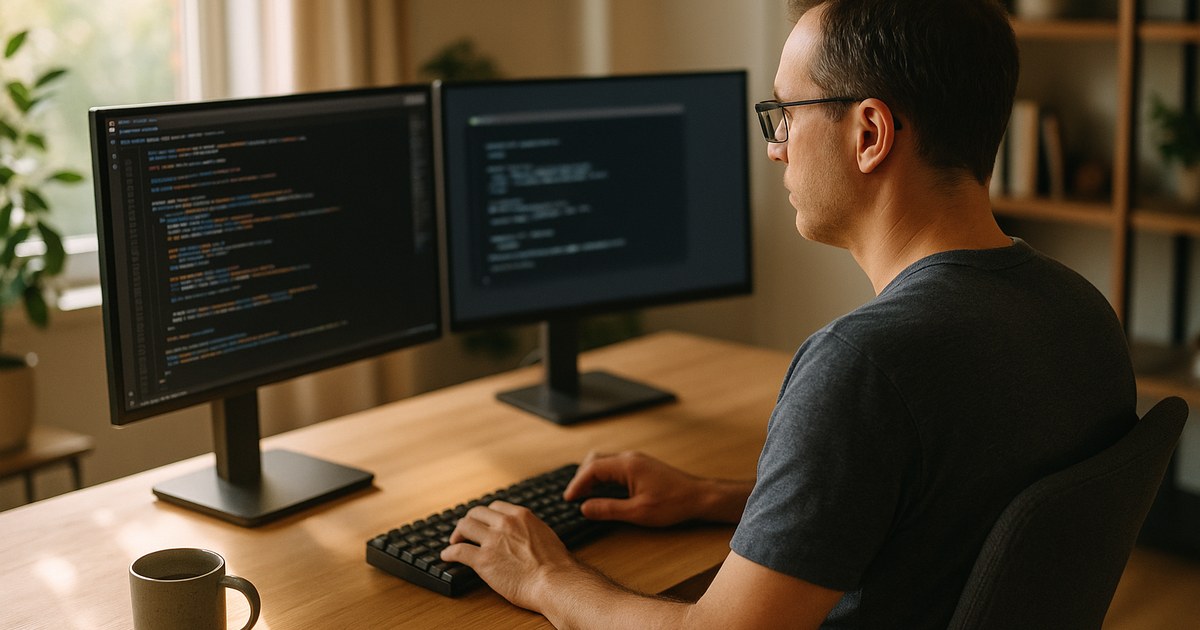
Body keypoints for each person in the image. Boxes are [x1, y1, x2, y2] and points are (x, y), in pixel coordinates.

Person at [441, 0, 1137, 627]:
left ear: (869, 134)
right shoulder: (1082, 314)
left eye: (786, 113)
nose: (774, 146)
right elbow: (926, 512)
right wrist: (714, 498)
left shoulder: (863, 365)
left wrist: (545, 575)